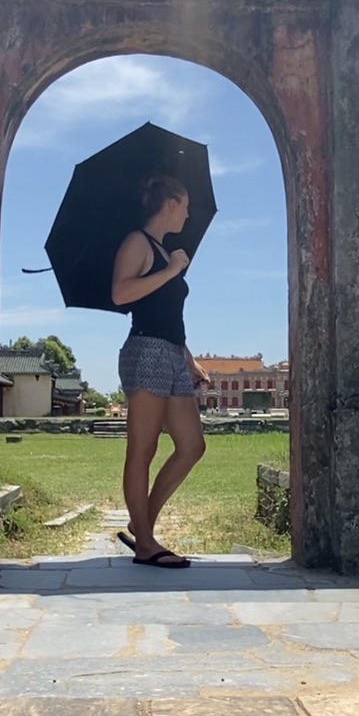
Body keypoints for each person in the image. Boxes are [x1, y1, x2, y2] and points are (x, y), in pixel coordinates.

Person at [111, 174, 209, 568]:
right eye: (185, 205)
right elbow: (120, 293)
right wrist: (170, 271)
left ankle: (142, 527)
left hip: (170, 352)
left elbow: (167, 314)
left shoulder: (167, 251)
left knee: (192, 446)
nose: (188, 213)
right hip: (145, 351)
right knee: (143, 449)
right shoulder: (137, 242)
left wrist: (189, 359)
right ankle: (147, 544)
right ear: (170, 203)